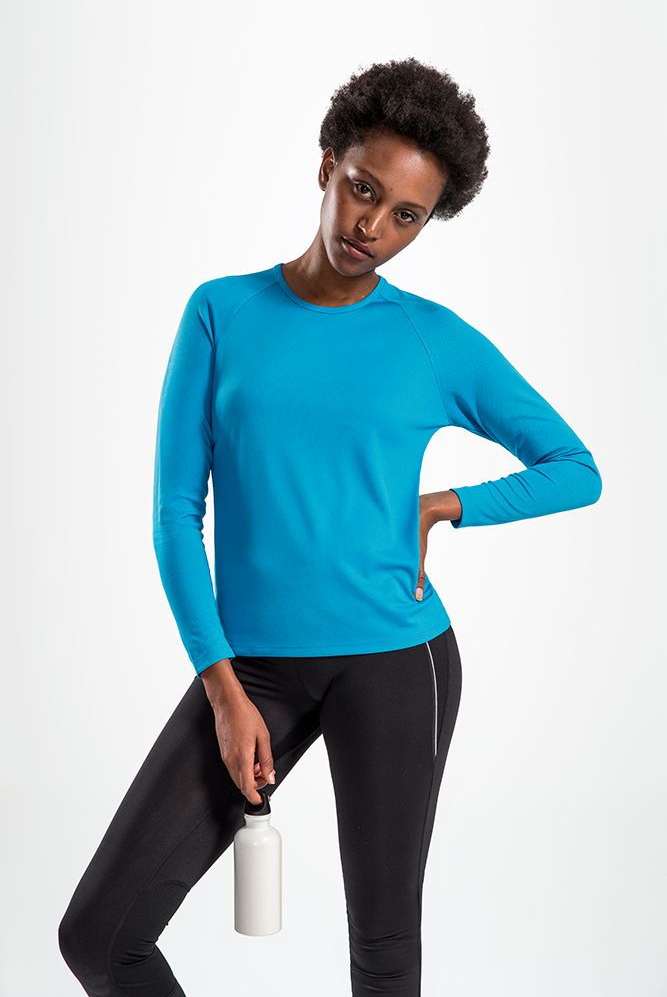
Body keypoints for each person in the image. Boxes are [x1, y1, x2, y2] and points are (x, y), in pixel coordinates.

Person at [58, 56, 602, 996]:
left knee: (382, 954)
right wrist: (223, 688)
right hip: (253, 668)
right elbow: (175, 514)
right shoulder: (222, 311)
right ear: (326, 167)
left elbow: (574, 469)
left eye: (407, 216)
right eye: (363, 189)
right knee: (101, 937)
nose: (371, 227)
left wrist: (447, 505)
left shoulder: (431, 338)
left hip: (397, 662)